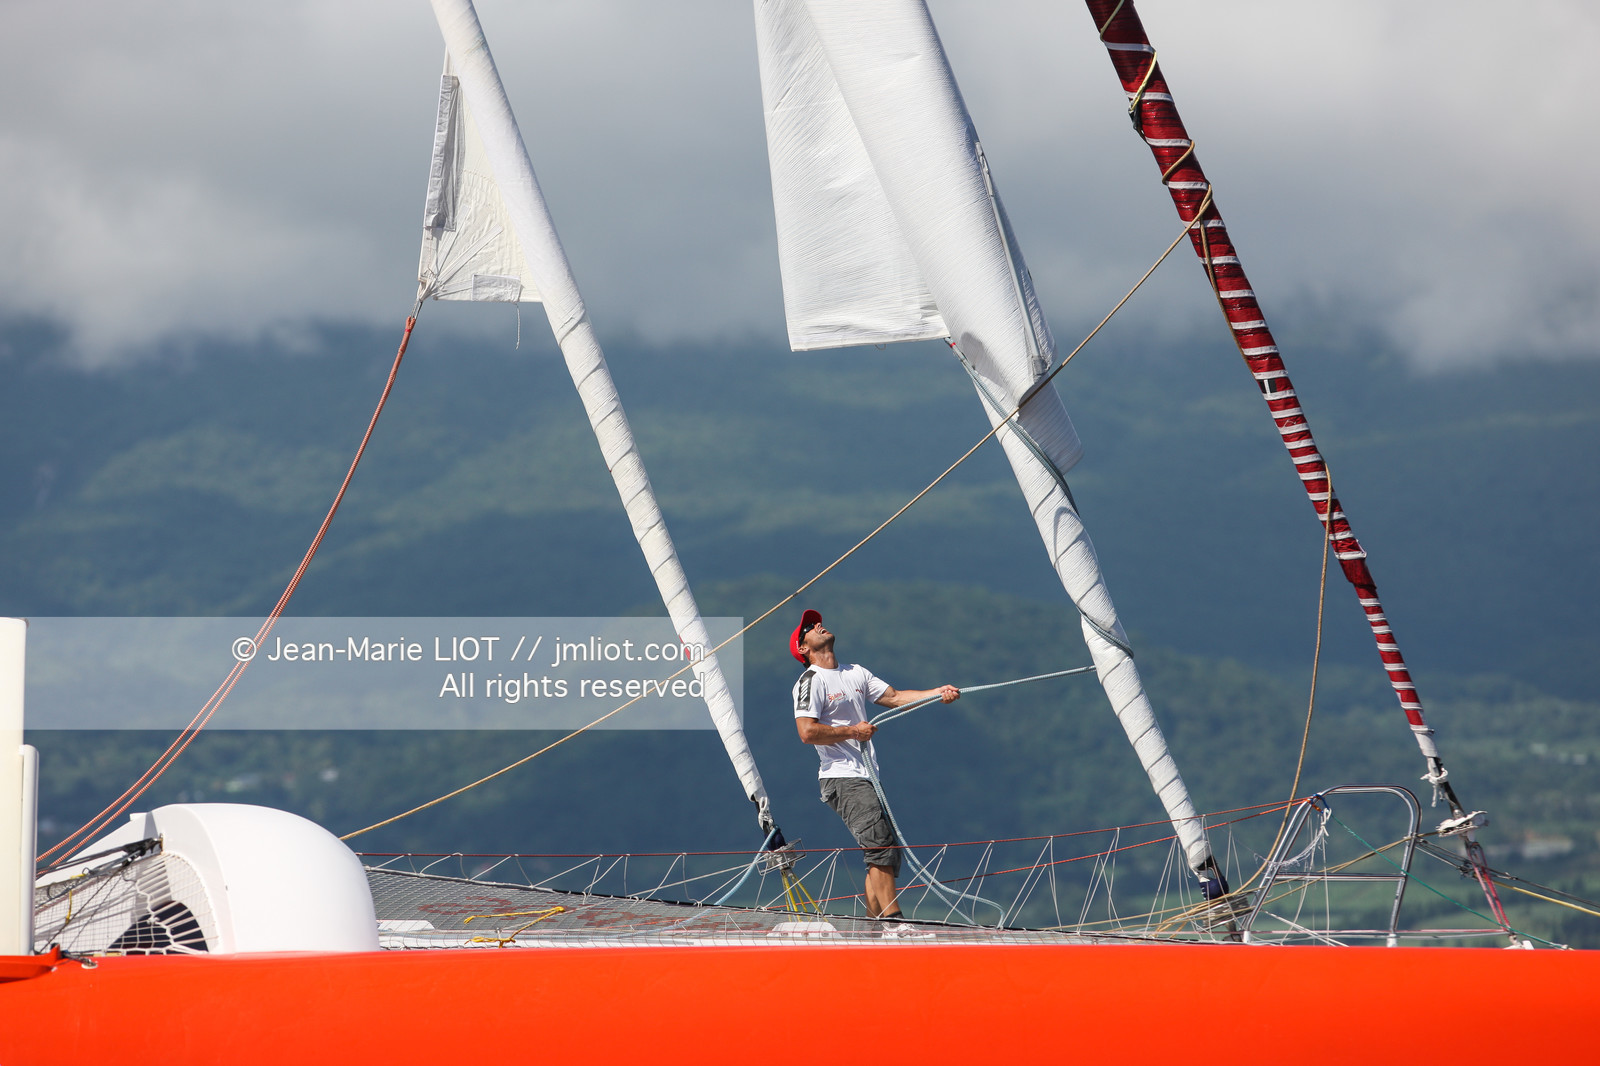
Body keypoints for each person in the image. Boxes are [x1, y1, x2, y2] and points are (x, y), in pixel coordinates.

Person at [790, 608, 958, 927]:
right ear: (803, 648)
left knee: (887, 853)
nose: (819, 625)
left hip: (866, 777)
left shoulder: (855, 672)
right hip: (841, 778)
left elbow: (895, 697)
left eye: (817, 622)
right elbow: (807, 732)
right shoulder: (809, 681)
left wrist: (937, 693)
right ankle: (895, 925)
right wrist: (853, 731)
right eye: (810, 627)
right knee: (880, 846)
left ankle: (872, 929)